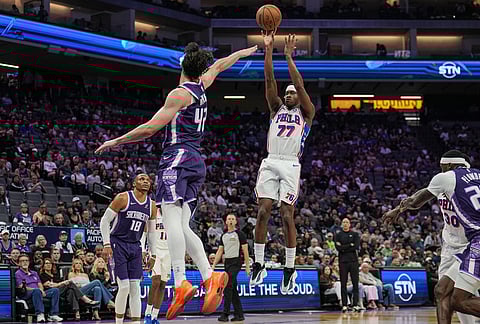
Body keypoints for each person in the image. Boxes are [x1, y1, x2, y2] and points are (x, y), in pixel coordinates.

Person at [95, 41, 257, 319]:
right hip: (197, 161)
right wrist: (245, 52)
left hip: (177, 156)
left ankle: (181, 280)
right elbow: (219, 64)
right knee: (182, 224)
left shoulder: (179, 94)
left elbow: (149, 129)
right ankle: (209, 276)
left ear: (183, 65)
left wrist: (116, 141)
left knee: (170, 219)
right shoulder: (203, 85)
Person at [250, 31, 315, 293]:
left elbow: (299, 84)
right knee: (263, 211)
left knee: (287, 216)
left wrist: (288, 56)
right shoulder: (276, 109)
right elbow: (269, 79)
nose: (288, 95)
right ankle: (258, 263)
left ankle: (289, 269)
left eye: (291, 93)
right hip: (271, 161)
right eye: (286, 93)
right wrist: (268, 50)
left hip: (290, 164)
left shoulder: (307, 113)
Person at [383, 150, 478, 323]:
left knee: (459, 297)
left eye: (442, 167)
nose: (441, 170)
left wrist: (398, 209)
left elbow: (416, 200)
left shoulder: (448, 178)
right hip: (450, 245)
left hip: (470, 243)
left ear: (448, 165)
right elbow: (422, 194)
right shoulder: (460, 181)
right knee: (443, 292)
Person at [99, 174, 158, 324]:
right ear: (133, 183)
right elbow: (105, 221)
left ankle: (136, 322)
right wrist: (106, 244)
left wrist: (153, 255)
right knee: (124, 287)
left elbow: (151, 232)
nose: (145, 182)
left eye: (147, 180)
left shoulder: (151, 205)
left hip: (135, 245)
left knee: (135, 287)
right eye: (141, 179)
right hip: (118, 243)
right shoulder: (123, 198)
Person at [212, 214, 250, 322]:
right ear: (226, 221)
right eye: (229, 219)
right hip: (227, 262)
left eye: (233, 219)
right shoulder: (223, 235)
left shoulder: (240, 234)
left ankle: (225, 313)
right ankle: (239, 314)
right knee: (233, 289)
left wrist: (247, 266)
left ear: (236, 222)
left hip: (236, 262)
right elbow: (220, 251)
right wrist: (213, 265)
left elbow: (245, 250)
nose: (231, 221)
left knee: (228, 286)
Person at [15, 254, 63, 323]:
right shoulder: (18, 273)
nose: (25, 262)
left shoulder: (34, 273)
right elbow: (21, 286)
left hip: (38, 292)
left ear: (29, 262)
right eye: (22, 261)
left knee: (55, 290)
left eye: (26, 260)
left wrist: (42, 290)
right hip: (26, 293)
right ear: (19, 263)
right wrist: (37, 290)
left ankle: (53, 314)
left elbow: (39, 284)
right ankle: (40, 314)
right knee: (36, 290)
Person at [144, 208, 171, 324]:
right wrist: (143, 249)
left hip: (169, 252)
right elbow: (145, 231)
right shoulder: (154, 212)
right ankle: (147, 314)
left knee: (162, 285)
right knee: (155, 281)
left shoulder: (174, 214)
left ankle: (155, 316)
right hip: (155, 251)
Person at [335, 218, 361, 312]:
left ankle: (355, 304)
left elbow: (356, 246)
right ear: (342, 224)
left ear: (350, 224)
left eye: (347, 222)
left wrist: (344, 247)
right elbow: (338, 248)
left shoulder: (355, 234)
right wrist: (350, 245)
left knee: (355, 283)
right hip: (343, 261)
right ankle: (345, 304)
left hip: (353, 261)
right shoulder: (338, 235)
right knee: (343, 284)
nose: (345, 224)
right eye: (343, 222)